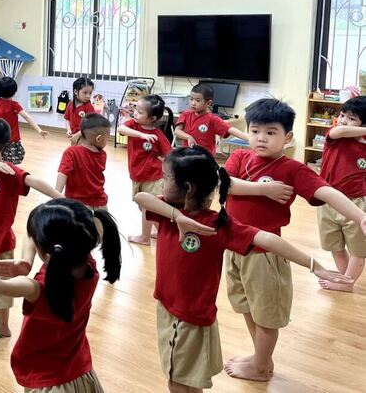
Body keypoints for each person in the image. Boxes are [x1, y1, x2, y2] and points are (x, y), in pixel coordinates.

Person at [135, 146, 349, 393]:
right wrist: (178, 217)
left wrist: (315, 266)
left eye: (166, 177)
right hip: (168, 308)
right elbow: (141, 198)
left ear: (188, 187)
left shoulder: (217, 225)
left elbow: (268, 239)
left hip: (188, 319)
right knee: (186, 380)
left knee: (178, 382)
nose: (161, 182)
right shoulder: (168, 211)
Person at [222, 98, 366, 382]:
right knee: (246, 306)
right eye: (255, 131)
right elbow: (223, 184)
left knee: (265, 314)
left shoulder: (292, 169)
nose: (261, 138)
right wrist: (263, 190)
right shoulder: (240, 158)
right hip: (234, 248)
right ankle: (262, 357)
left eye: (271, 132)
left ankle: (260, 368)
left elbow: (327, 192)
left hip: (265, 254)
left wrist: (360, 216)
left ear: (287, 137)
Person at [0, 199, 121, 392]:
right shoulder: (86, 265)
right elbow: (34, 238)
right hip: (78, 368)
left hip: (49, 382)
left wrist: (1, 286)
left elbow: (30, 287)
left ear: (45, 251)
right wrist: (26, 261)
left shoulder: (51, 286)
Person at [0, 117, 62, 346]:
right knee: (3, 283)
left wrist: (62, 198)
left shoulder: (10, 172)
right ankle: (3, 326)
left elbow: (33, 180)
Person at [316, 95, 366, 292]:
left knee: (358, 249)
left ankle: (347, 283)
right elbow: (342, 130)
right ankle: (345, 280)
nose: (344, 120)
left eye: (352, 118)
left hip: (356, 203)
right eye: (342, 115)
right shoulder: (334, 134)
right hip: (327, 200)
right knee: (334, 245)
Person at [117, 94, 174, 245]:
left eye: (140, 112)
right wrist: (141, 135)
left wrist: (168, 169)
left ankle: (145, 237)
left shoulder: (157, 135)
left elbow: (169, 154)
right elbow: (121, 128)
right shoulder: (132, 125)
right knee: (143, 206)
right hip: (137, 174)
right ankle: (163, 232)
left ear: (152, 118)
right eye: (136, 109)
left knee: (148, 207)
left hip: (153, 176)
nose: (135, 113)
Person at [56, 114, 111, 211]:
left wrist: (56, 197)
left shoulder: (71, 152)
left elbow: (62, 174)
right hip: (99, 202)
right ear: (98, 139)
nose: (107, 141)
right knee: (104, 221)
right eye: (107, 138)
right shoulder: (102, 154)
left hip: (76, 204)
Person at [174, 83, 248, 154]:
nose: (193, 103)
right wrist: (188, 137)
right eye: (191, 99)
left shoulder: (213, 119)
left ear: (208, 103)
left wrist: (249, 139)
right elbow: (177, 131)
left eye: (197, 100)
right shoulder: (185, 114)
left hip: (205, 157)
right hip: (187, 155)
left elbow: (231, 130)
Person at [0, 77, 48, 164]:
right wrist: (39, 130)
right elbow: (27, 117)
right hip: (11, 139)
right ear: (14, 92)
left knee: (0, 160)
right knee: (11, 162)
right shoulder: (14, 105)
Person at [64, 77, 96, 145]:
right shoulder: (70, 104)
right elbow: (67, 119)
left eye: (90, 93)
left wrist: (78, 134)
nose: (88, 96)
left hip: (86, 138)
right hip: (74, 137)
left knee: (81, 151)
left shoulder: (89, 107)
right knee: (73, 150)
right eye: (85, 93)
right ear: (76, 92)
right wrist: (69, 130)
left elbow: (90, 125)